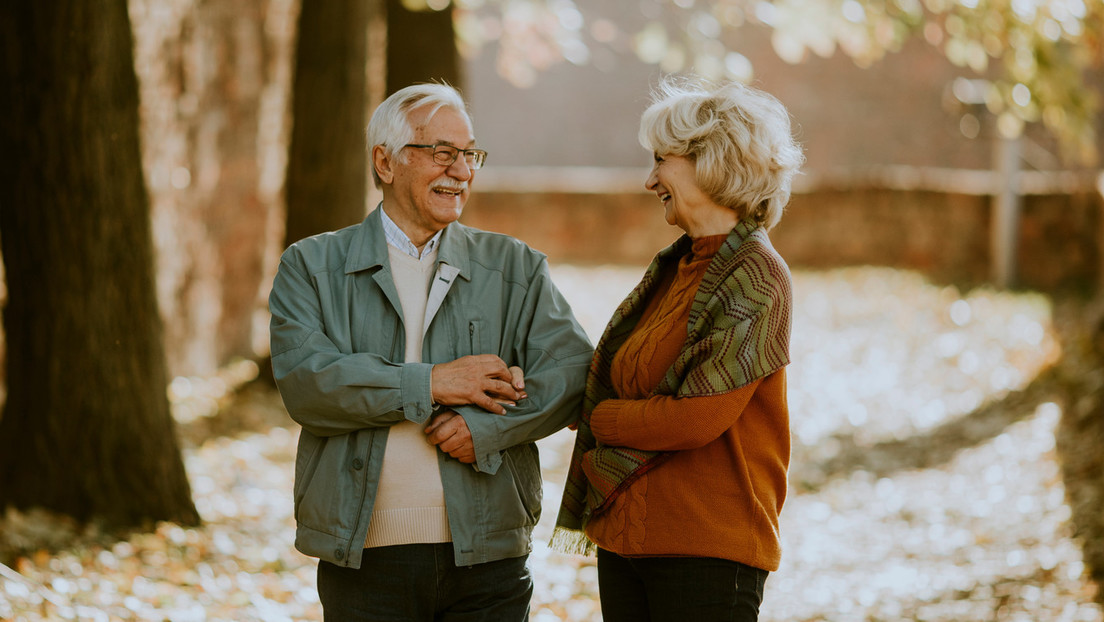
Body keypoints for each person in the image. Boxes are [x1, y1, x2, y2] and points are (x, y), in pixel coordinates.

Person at [269, 83, 593, 621]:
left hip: (488, 559)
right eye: (441, 152)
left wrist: (486, 430)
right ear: (386, 161)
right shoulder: (311, 266)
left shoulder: (515, 267)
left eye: (470, 155)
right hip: (363, 561)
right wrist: (433, 383)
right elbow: (307, 382)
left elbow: (573, 374)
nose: (461, 171)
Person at [552, 76, 804, 622]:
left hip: (707, 547)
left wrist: (601, 416)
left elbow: (695, 418)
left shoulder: (757, 276)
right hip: (626, 538)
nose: (650, 180)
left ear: (708, 159)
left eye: (660, 160)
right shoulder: (675, 267)